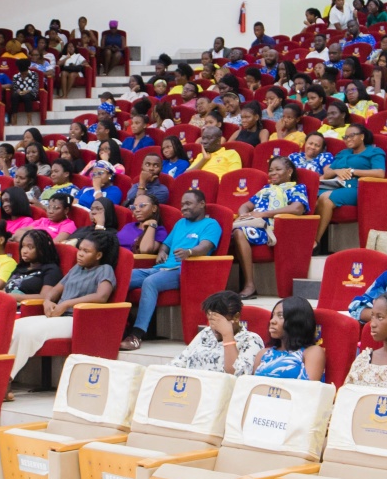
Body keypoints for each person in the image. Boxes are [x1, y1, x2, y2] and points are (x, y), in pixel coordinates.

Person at [5, 228, 120, 380]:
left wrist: (66, 304)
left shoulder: (105, 269)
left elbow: (102, 296)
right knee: (14, 327)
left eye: (86, 251)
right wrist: (47, 301)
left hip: (78, 319)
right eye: (80, 249)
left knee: (29, 333)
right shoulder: (77, 269)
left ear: (98, 255)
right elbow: (55, 290)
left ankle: (6, 379)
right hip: (59, 316)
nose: (80, 253)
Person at [123, 189, 222, 347]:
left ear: (202, 204)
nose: (183, 208)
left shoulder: (211, 224)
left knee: (151, 282)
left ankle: (136, 335)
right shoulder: (180, 223)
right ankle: (121, 325)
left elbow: (205, 247)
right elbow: (166, 245)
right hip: (162, 268)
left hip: (185, 270)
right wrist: (162, 252)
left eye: (188, 203)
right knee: (124, 277)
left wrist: (189, 252)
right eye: (182, 204)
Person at [229, 155, 310, 298]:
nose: (273, 173)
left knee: (238, 232)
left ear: (289, 171)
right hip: (253, 224)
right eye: (271, 170)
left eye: (278, 169)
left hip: (272, 229)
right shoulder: (266, 189)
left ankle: (249, 285)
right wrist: (243, 215)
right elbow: (245, 205)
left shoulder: (296, 188)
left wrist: (265, 214)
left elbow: (297, 208)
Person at [312, 123, 387, 247]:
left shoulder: (374, 151)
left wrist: (353, 171)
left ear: (362, 136)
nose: (348, 139)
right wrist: (337, 171)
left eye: (352, 136)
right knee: (310, 199)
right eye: (345, 137)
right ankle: (304, 239)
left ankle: (316, 242)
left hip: (358, 188)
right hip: (336, 185)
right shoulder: (343, 153)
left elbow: (380, 173)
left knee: (326, 198)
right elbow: (327, 173)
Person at [171, 290, 266, 375]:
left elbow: (238, 375)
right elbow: (179, 362)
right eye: (211, 319)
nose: (214, 326)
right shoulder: (207, 333)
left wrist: (227, 335)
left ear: (236, 317)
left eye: (219, 321)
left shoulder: (251, 340)